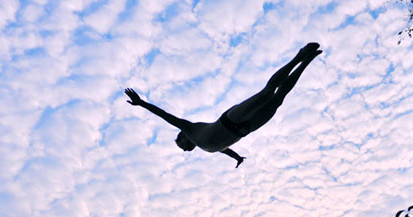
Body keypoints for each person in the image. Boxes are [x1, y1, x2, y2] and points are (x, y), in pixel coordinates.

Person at [125, 43, 322, 167]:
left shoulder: (190, 129)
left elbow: (166, 115)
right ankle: (306, 62)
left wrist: (141, 103)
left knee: (267, 93)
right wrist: (237, 158)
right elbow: (227, 150)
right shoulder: (208, 148)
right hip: (246, 129)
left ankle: (299, 56)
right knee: (278, 100)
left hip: (231, 119)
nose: (184, 150)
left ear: (183, 136)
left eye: (181, 145)